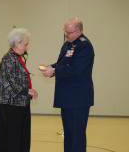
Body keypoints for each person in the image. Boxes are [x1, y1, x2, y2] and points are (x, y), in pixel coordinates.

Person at [39, 17, 95, 152]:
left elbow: (76, 69)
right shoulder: (68, 44)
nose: (66, 35)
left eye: (69, 32)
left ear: (79, 31)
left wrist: (54, 71)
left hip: (78, 99)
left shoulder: (85, 46)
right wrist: (51, 67)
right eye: (65, 31)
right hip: (67, 98)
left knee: (77, 136)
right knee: (68, 135)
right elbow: (63, 64)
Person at [0, 28, 38, 152]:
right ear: (17, 43)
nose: (26, 47)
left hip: (20, 103)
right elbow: (7, 81)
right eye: (25, 44)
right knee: (13, 138)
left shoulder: (17, 58)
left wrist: (29, 90)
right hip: (11, 104)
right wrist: (26, 90)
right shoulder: (8, 58)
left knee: (22, 136)